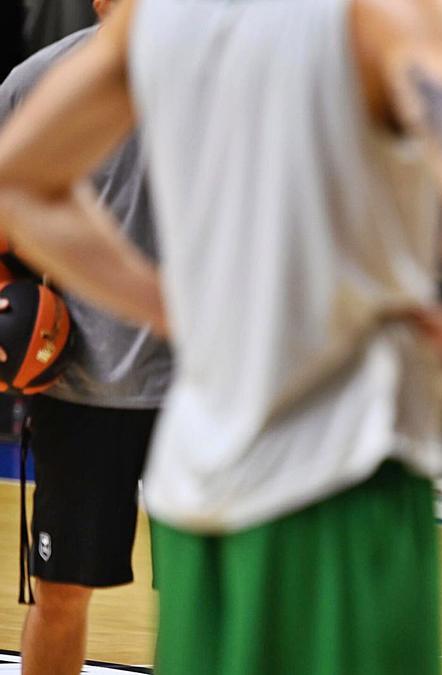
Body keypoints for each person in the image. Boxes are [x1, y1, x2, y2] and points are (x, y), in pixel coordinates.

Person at [0, 0, 442, 672]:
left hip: (204, 467)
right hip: (349, 467)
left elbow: (17, 178)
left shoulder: (156, 26)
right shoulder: (399, 15)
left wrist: (165, 306)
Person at [0, 0, 171, 672]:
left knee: (199, 595)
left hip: (200, 391)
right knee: (62, 592)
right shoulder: (37, 83)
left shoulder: (229, 80)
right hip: (78, 387)